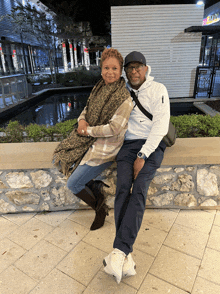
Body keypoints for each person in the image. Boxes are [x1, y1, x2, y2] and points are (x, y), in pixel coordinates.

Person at [103, 51, 170, 283]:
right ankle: (125, 254)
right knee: (123, 187)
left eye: (137, 67)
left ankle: (118, 251)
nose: (133, 71)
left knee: (139, 187)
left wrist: (143, 155)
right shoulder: (121, 91)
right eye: (129, 68)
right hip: (128, 146)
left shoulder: (158, 90)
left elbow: (160, 127)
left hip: (152, 145)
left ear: (145, 68)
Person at [53, 48, 133, 231]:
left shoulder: (124, 98)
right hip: (88, 141)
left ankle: (100, 208)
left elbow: (114, 129)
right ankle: (94, 187)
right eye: (106, 68)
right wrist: (81, 119)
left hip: (105, 149)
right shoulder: (99, 88)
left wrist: (87, 131)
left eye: (114, 68)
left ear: (120, 71)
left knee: (73, 184)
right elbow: (87, 108)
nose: (110, 72)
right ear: (101, 69)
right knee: (58, 159)